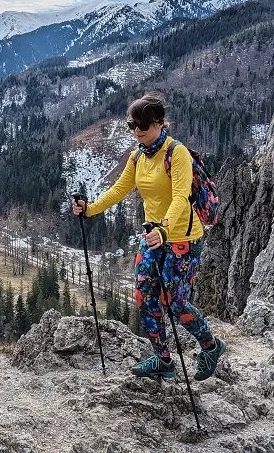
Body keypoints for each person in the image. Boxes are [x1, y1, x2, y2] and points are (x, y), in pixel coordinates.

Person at [72, 94, 225, 380]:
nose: (137, 130)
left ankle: (210, 346)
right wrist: (89, 209)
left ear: (158, 122)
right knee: (143, 294)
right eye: (132, 125)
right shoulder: (137, 156)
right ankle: (163, 359)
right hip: (152, 235)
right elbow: (119, 189)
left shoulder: (175, 153)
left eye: (142, 124)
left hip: (182, 237)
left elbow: (180, 197)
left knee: (174, 301)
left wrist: (165, 228)